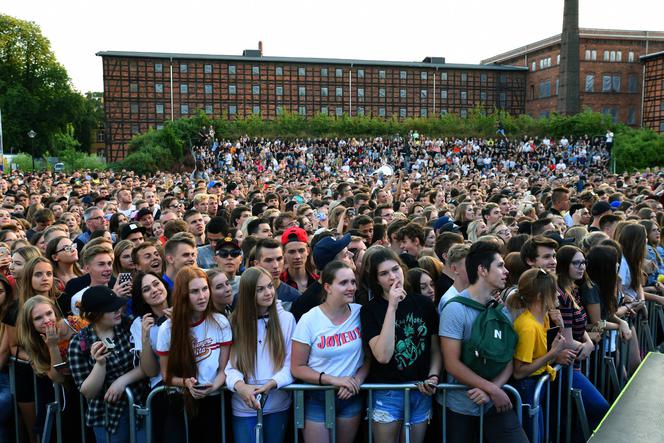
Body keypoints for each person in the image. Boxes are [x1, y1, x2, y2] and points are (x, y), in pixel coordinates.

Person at [439, 240, 527, 443]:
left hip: (493, 404)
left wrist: (491, 390)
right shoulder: (454, 309)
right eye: (500, 265)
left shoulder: (501, 311)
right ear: (482, 271)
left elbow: (508, 358)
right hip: (459, 408)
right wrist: (493, 389)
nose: (506, 271)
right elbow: (452, 364)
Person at [360, 247, 441, 443]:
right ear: (376, 280)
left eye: (395, 269)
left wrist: (434, 375)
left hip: (419, 390)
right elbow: (383, 355)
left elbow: (435, 348)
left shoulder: (424, 304)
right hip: (387, 392)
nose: (392, 276)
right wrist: (392, 306)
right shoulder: (370, 310)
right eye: (384, 273)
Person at [292, 261, 369, 443]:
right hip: (316, 396)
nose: (351, 287)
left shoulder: (360, 313)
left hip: (350, 394)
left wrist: (356, 381)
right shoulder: (309, 320)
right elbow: (297, 367)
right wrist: (332, 380)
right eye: (343, 283)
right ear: (327, 287)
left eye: (353, 282)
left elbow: (369, 358)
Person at [156, 266, 232, 442]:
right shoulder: (167, 329)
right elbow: (166, 375)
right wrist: (186, 383)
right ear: (183, 295)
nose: (202, 296)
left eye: (205, 289)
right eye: (195, 291)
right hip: (182, 403)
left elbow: (225, 368)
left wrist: (213, 387)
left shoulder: (220, 322)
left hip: (216, 401)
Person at [68, 286, 149, 443]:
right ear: (94, 314)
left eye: (117, 305)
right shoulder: (80, 343)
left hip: (140, 404)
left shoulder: (130, 326)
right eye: (111, 308)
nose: (118, 310)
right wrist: (100, 363)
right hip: (107, 416)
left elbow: (148, 366)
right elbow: (88, 392)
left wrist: (122, 381)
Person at [225, 267, 295, 443]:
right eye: (260, 289)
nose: (268, 292)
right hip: (244, 406)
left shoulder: (287, 319)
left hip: (278, 404)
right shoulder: (234, 322)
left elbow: (290, 363)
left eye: (270, 286)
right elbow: (229, 365)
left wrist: (273, 383)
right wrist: (240, 386)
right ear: (249, 293)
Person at [507, 269, 574, 443]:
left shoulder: (543, 318)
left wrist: (560, 325)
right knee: (533, 436)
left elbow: (546, 350)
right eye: (553, 291)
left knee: (541, 435)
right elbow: (519, 371)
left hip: (537, 384)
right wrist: (553, 353)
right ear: (539, 296)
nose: (557, 294)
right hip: (527, 388)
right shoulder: (528, 326)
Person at [16, 296, 87, 443]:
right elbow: (58, 378)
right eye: (38, 318)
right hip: (70, 399)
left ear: (55, 312)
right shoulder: (35, 344)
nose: (47, 320)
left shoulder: (75, 323)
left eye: (49, 313)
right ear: (30, 324)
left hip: (93, 390)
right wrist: (53, 346)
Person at [556, 245, 610, 435]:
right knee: (598, 407)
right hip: (567, 364)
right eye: (576, 263)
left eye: (584, 262)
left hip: (578, 359)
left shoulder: (577, 289)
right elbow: (598, 322)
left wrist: (588, 342)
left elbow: (589, 322)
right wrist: (588, 344)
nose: (582, 267)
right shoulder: (568, 293)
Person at [130, 271, 171, 442]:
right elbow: (150, 371)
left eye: (156, 284)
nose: (154, 290)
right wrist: (146, 339)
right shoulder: (140, 323)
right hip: (162, 394)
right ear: (142, 298)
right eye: (146, 289)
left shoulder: (185, 310)